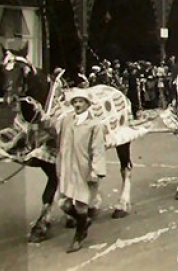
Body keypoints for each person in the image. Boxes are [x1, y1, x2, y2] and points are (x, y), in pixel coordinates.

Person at [40, 88, 106, 253]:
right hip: (67, 167)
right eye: (75, 102)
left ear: (87, 104)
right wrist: (40, 112)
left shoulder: (95, 125)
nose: (77, 105)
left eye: (81, 102)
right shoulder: (66, 121)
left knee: (81, 205)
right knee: (63, 203)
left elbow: (98, 150)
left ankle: (79, 236)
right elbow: (51, 129)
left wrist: (95, 171)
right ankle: (84, 222)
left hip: (85, 169)